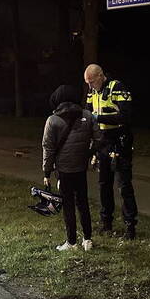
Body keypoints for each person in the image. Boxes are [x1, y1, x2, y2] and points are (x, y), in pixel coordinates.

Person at [42, 84, 99, 252]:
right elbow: (99, 138)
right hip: (80, 168)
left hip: (64, 170)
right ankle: (87, 240)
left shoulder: (52, 120)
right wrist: (88, 154)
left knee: (68, 205)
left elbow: (48, 148)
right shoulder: (88, 116)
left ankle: (71, 242)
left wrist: (47, 172)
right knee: (83, 203)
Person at [84, 64, 138, 239]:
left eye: (92, 82)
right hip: (102, 142)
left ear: (101, 76)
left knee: (124, 185)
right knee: (103, 184)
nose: (90, 87)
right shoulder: (92, 93)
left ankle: (130, 227)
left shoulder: (117, 88)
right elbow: (88, 115)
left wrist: (99, 117)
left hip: (119, 141)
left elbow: (126, 116)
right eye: (88, 83)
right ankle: (106, 223)